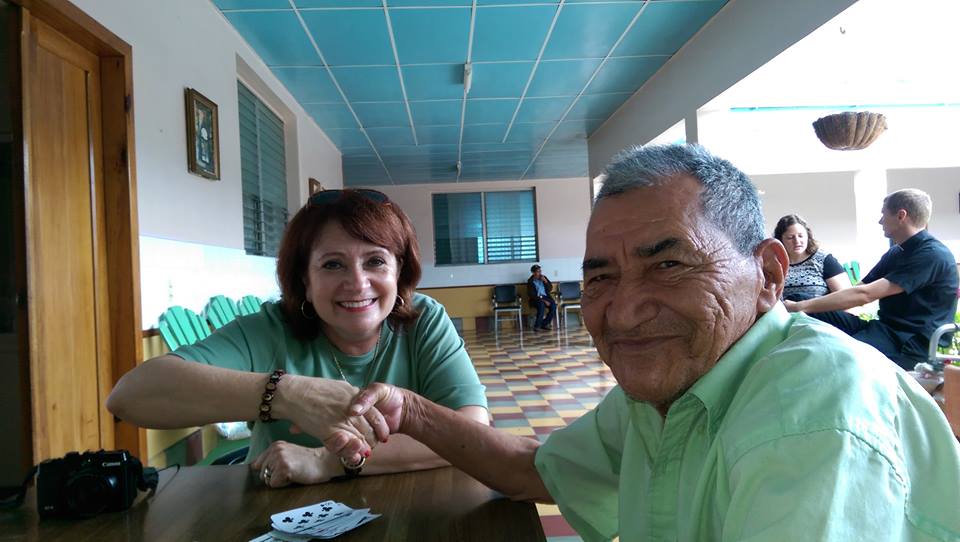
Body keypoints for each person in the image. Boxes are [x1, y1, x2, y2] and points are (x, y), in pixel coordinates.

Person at [333, 145, 960, 541]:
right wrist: (410, 411)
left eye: (669, 264)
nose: (625, 310)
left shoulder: (812, 413)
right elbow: (532, 471)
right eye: (601, 276)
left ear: (769, 275)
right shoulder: (674, 390)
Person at [107, 189, 489, 487]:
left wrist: (328, 462)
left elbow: (472, 431)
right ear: (305, 279)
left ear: (399, 270)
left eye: (375, 261)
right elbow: (130, 397)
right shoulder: (271, 328)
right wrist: (289, 395)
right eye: (333, 264)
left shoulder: (424, 320)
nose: (357, 283)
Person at [785, 189, 959, 370]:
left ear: (901, 216)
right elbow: (856, 290)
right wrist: (801, 304)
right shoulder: (896, 252)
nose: (880, 221)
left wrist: (799, 307)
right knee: (798, 298)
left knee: (840, 353)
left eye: (884, 214)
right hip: (882, 329)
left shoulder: (932, 255)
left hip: (908, 343)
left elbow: (865, 295)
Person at [773, 214, 851, 301]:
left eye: (801, 236)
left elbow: (847, 297)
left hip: (819, 309)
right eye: (790, 238)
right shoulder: (774, 264)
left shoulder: (824, 260)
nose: (797, 241)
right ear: (780, 240)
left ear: (808, 236)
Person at [526, 264, 556, 331]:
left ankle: (544, 324)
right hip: (536, 299)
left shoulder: (543, 278)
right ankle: (537, 326)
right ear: (533, 273)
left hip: (545, 297)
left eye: (540, 271)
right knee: (541, 305)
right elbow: (532, 295)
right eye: (538, 271)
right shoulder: (530, 281)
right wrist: (543, 300)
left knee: (553, 306)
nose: (540, 273)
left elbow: (550, 289)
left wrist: (545, 281)